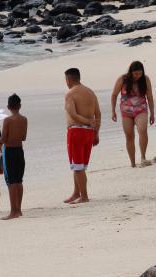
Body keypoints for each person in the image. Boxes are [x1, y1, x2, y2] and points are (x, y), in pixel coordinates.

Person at [63, 68, 101, 204]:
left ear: (68, 79)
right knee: (78, 165)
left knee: (78, 167)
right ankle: (76, 193)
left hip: (76, 132)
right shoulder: (91, 93)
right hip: (89, 133)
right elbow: (98, 114)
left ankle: (84, 196)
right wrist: (95, 131)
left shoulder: (70, 94)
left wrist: (88, 122)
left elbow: (73, 114)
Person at [111, 61, 155, 168]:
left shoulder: (145, 79)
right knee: (129, 136)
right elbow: (114, 95)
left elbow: (149, 97)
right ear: (131, 72)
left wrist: (152, 113)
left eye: (140, 73)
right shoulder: (122, 79)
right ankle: (133, 163)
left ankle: (143, 157)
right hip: (126, 112)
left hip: (141, 109)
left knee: (142, 130)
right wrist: (113, 110)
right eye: (135, 74)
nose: (138, 76)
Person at [0, 94, 28, 220]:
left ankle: (13, 211)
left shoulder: (8, 120)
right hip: (19, 151)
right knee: (19, 181)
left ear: (8, 107)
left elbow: (3, 138)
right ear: (20, 106)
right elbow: (24, 137)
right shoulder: (24, 119)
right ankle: (18, 210)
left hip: (9, 152)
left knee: (11, 182)